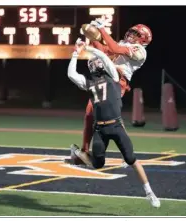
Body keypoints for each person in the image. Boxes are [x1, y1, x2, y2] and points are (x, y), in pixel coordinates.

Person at [67, 38, 160, 208]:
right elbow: (72, 75)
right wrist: (77, 53)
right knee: (98, 164)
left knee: (132, 159)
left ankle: (149, 192)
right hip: (100, 130)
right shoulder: (89, 83)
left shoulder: (114, 76)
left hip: (116, 126)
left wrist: (84, 50)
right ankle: (78, 153)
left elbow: (100, 56)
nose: (97, 64)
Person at [67, 16, 153, 162]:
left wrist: (101, 29)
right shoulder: (122, 43)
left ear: (144, 39)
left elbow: (114, 48)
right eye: (132, 32)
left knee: (112, 118)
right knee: (90, 113)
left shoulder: (140, 51)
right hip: (105, 78)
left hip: (118, 80)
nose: (132, 35)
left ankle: (127, 153)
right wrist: (92, 38)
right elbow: (105, 50)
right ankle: (85, 151)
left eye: (137, 34)